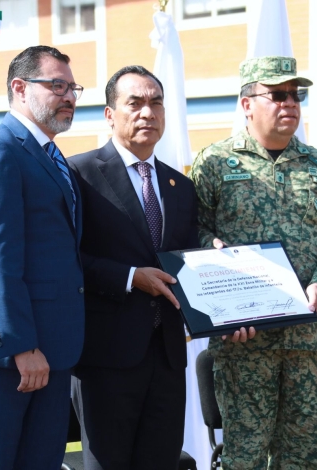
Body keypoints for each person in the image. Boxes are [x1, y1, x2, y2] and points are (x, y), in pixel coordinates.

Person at [189, 56, 317, 469]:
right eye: (277, 95)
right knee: (245, 457)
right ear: (247, 103)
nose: (290, 104)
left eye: (296, 95)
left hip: (304, 336)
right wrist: (210, 249)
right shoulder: (213, 164)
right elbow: (188, 231)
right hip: (243, 340)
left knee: (304, 457)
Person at [0, 45, 85, 469]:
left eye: (73, 87)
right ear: (20, 88)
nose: (70, 96)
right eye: (57, 85)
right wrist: (22, 346)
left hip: (52, 352)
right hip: (4, 356)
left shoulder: (53, 157)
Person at [67, 65, 199, 470]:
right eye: (135, 103)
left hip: (169, 358)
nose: (148, 113)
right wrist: (129, 278)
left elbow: (185, 262)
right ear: (110, 114)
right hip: (106, 358)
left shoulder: (181, 186)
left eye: (156, 103)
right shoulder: (78, 174)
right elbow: (67, 260)